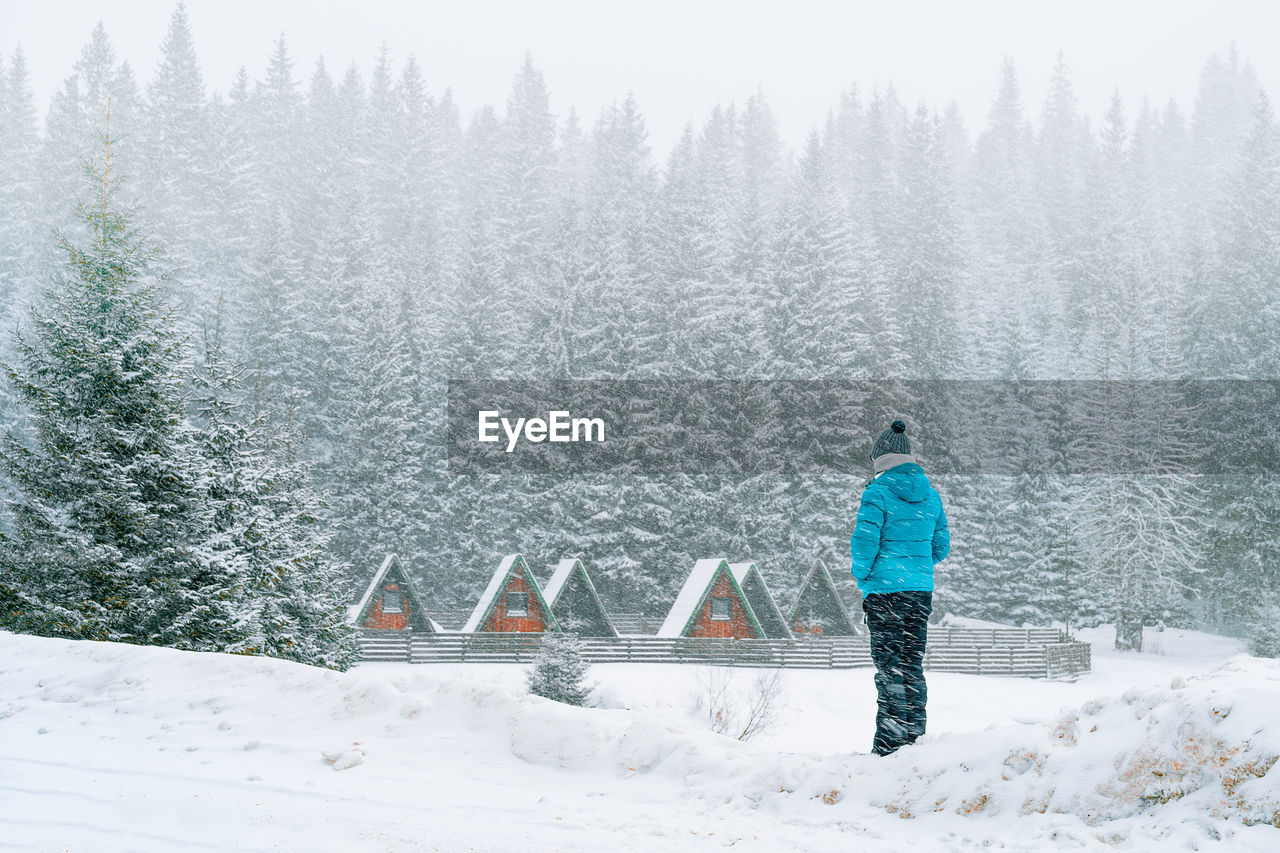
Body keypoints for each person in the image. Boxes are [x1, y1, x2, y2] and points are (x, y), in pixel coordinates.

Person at [850, 419, 949, 756]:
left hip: (885, 593)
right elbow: (940, 547)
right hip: (919, 592)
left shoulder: (876, 493)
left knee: (889, 666)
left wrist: (865, 578)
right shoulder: (932, 496)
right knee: (911, 665)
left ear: (880, 461)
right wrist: (916, 568)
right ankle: (914, 739)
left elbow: (864, 543)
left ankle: (890, 745)